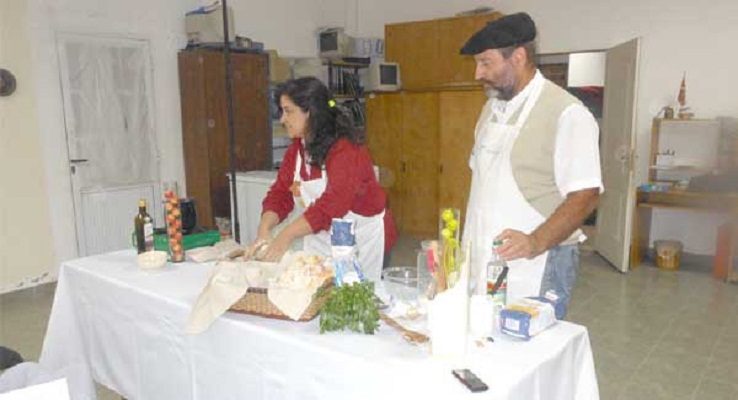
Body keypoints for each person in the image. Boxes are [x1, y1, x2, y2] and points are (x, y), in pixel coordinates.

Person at [460, 12, 602, 318]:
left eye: (486, 62)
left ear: (519, 57)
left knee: (530, 350)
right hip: (487, 258)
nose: (477, 74)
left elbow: (586, 195)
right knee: (487, 340)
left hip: (538, 262)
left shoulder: (567, 114)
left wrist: (535, 241)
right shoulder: (490, 110)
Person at [248, 77, 397, 282]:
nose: (282, 119)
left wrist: (286, 235)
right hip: (323, 238)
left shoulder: (345, 149)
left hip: (363, 241)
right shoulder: (298, 149)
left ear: (310, 111)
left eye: (288, 111)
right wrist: (264, 230)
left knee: (358, 299)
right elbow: (281, 193)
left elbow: (334, 204)